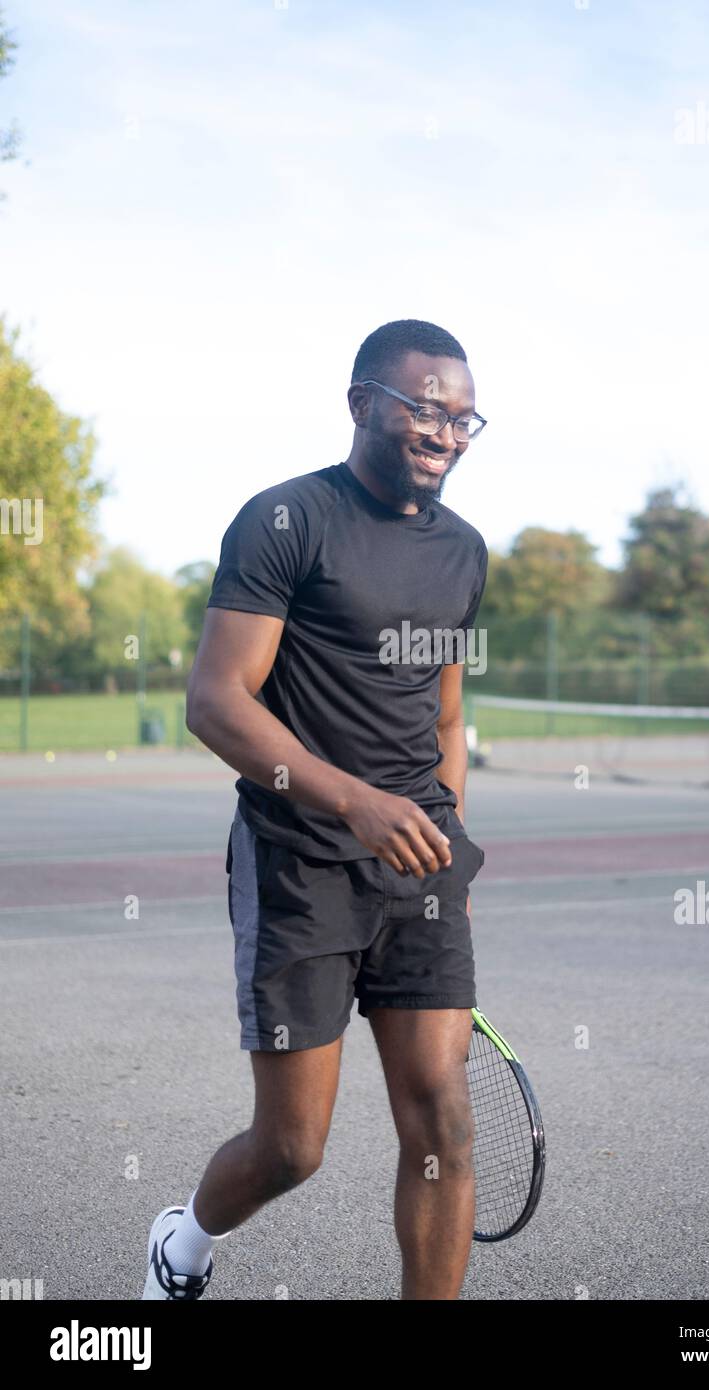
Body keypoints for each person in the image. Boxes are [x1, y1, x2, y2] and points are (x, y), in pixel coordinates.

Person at [142, 319, 489, 1301]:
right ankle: (184, 1241)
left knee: (444, 1121)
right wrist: (353, 802)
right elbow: (215, 700)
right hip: (298, 858)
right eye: (426, 406)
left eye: (464, 417)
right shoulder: (285, 521)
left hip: (418, 867)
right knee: (293, 1146)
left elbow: (447, 714)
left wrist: (446, 846)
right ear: (362, 402)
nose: (445, 429)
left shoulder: (464, 553)